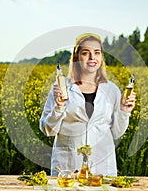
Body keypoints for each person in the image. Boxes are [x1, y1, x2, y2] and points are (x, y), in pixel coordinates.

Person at [39, 33, 136, 176]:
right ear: (77, 57)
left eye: (97, 52)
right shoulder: (61, 87)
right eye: (86, 53)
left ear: (101, 58)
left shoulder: (112, 90)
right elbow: (48, 130)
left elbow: (116, 133)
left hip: (102, 167)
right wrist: (59, 108)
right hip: (68, 166)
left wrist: (124, 111)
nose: (92, 57)